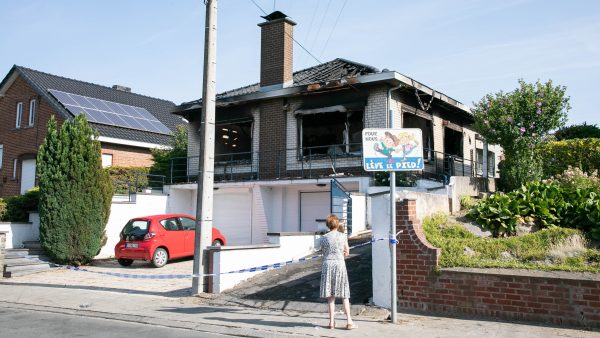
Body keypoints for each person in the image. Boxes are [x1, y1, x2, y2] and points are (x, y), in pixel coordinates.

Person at [319, 214, 356, 330]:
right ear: (337, 224)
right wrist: (343, 253)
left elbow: (323, 252)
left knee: (330, 296)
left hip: (328, 265)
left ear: (328, 225)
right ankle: (349, 321)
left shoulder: (324, 237)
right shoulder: (342, 236)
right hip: (339, 264)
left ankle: (331, 322)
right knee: (344, 294)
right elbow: (347, 251)